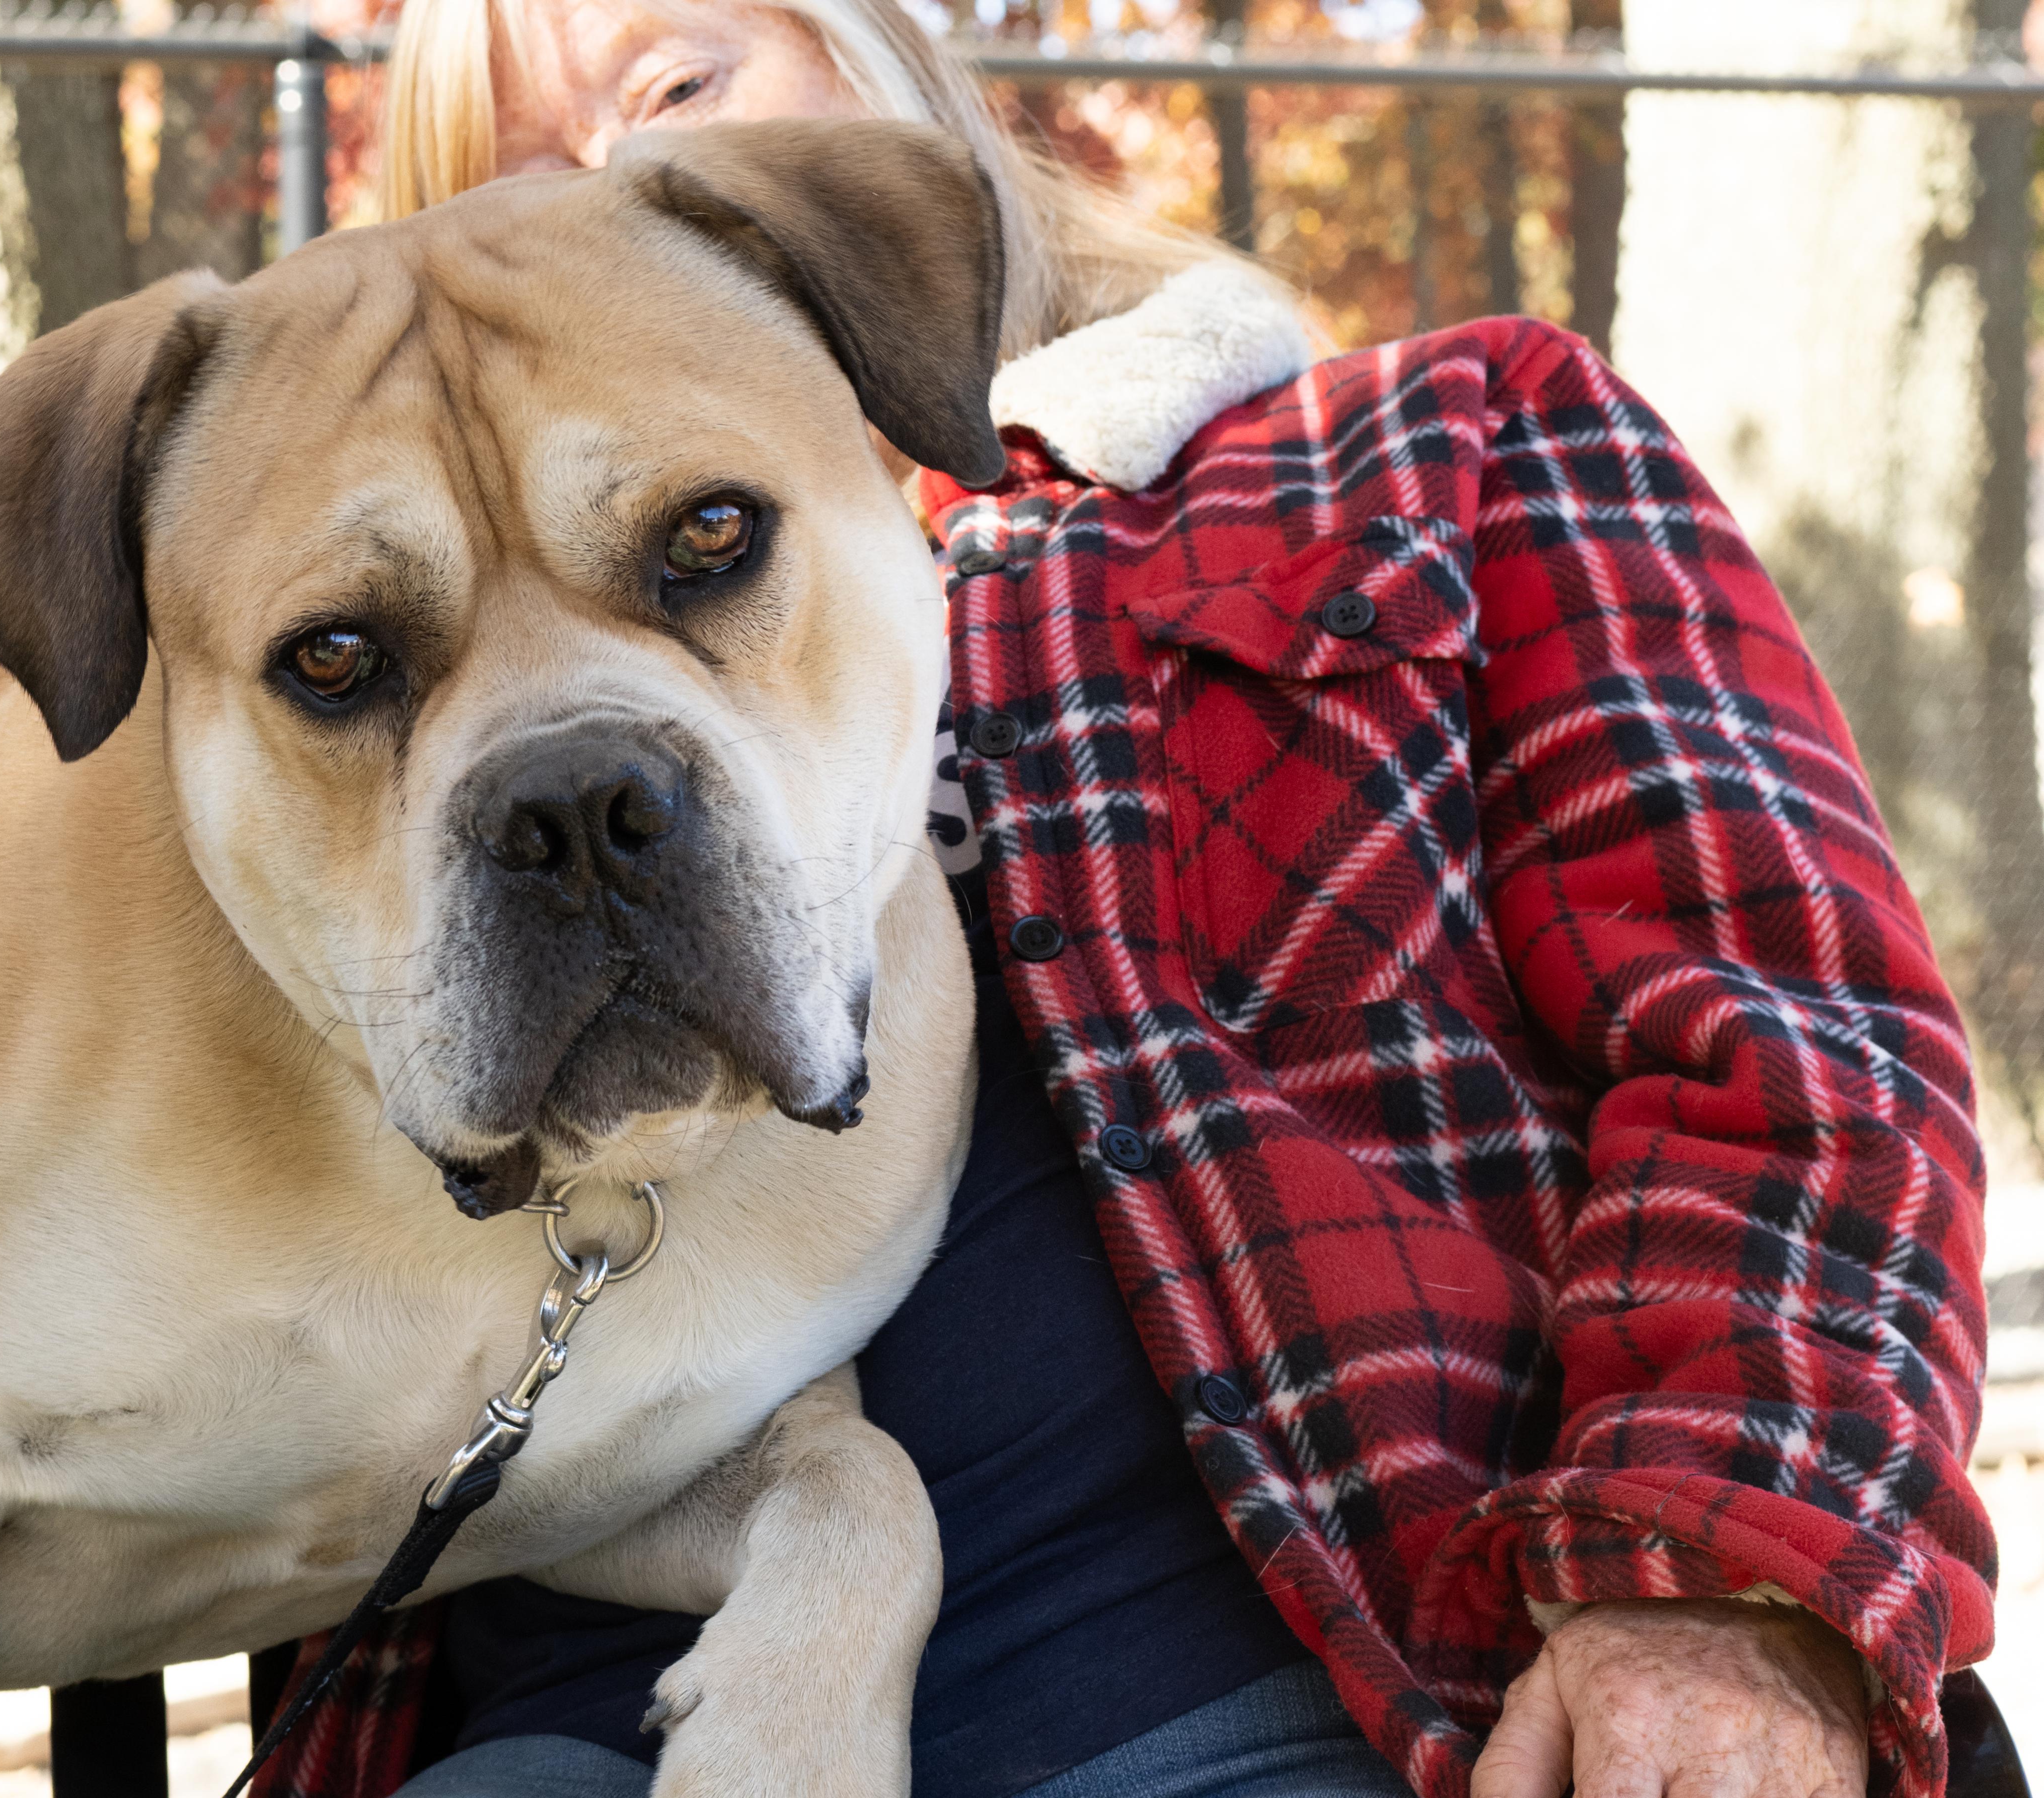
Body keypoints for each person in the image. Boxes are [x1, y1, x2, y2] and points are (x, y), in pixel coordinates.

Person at [245, 6, 1997, 1797]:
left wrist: (1704, 1582)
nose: (625, 185)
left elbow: (1797, 1053)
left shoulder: (1439, 448)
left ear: (897, 78)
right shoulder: (348, 702)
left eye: (679, 88)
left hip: (1275, 1701)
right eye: (517, 172)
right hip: (579, 1723)